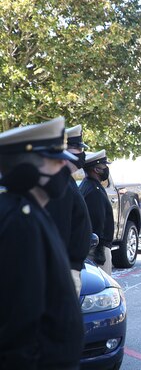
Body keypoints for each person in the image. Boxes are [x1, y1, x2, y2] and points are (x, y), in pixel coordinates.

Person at [0, 117, 84, 369]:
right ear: (27, 168)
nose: (64, 164)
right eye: (54, 158)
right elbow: (19, 319)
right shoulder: (19, 220)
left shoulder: (32, 212)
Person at [46, 124, 92, 296]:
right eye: (78, 148)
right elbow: (59, 229)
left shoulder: (66, 180)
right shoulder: (60, 183)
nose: (82, 154)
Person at [80, 149, 115, 275]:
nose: (106, 169)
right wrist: (100, 250)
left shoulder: (89, 185)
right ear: (96, 170)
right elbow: (97, 221)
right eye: (104, 166)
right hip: (97, 248)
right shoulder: (94, 190)